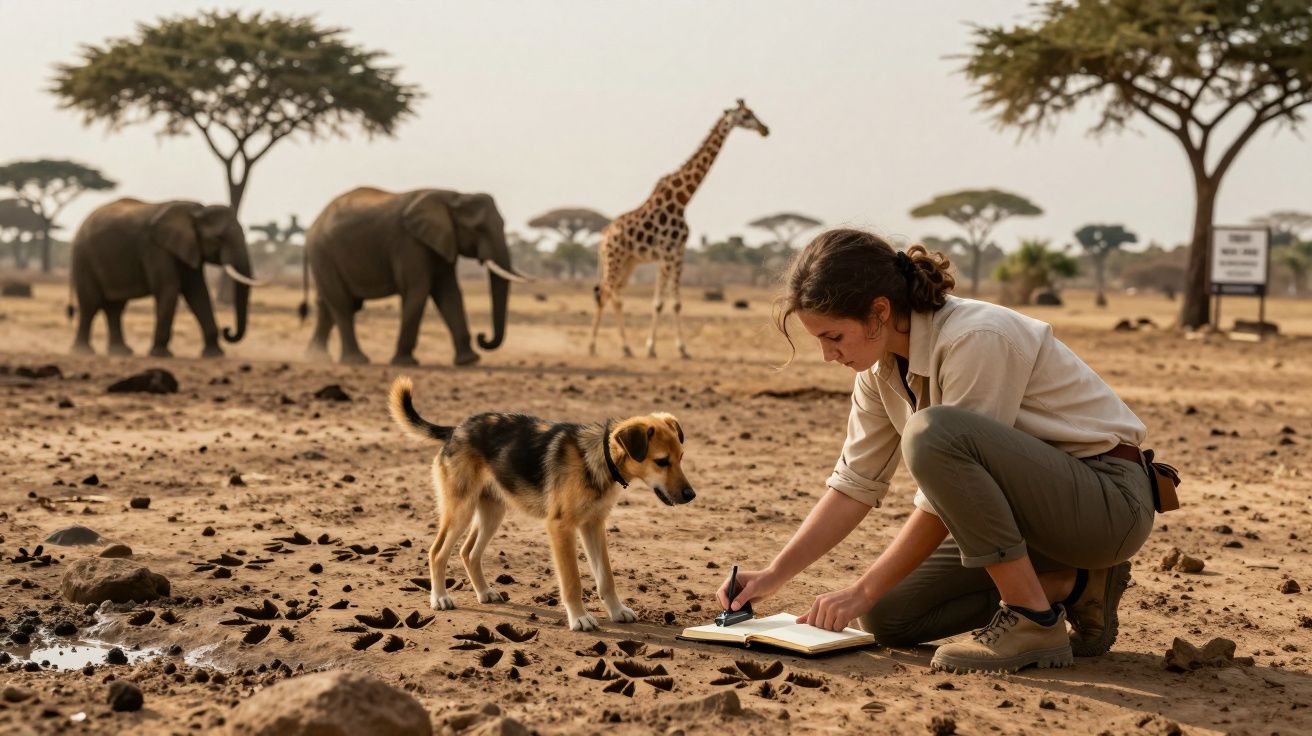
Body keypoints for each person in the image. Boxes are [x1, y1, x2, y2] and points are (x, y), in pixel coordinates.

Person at [717, 228, 1156, 673]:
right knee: (888, 615)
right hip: (1033, 522)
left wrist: (862, 587)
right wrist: (774, 575)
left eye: (834, 337)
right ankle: (1076, 584)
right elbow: (854, 485)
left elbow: (945, 475)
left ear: (879, 312)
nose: (828, 355)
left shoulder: (977, 337)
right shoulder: (876, 368)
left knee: (931, 434)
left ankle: (1032, 620)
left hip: (1107, 505)